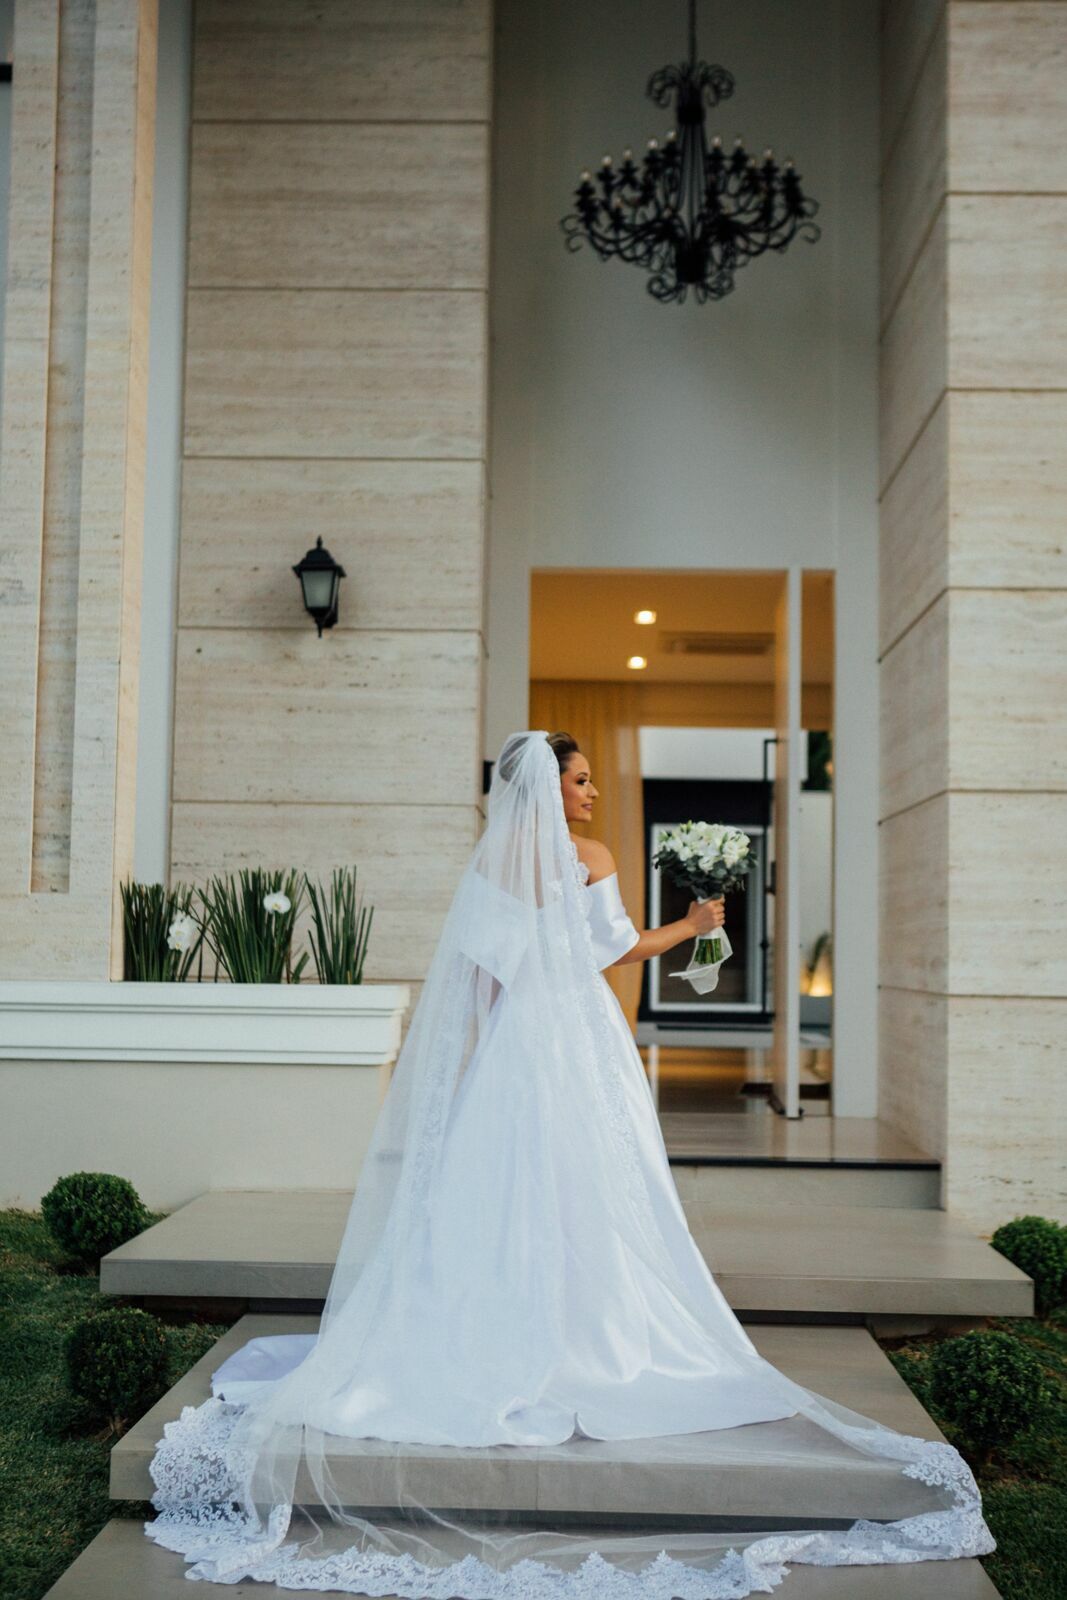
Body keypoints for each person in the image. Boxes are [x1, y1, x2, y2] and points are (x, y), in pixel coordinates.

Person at [144, 730, 993, 1596]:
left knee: (506, 1185)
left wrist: (482, 1060)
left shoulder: (491, 866)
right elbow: (615, 952)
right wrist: (696, 926)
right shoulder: (587, 854)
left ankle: (507, 1326)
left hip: (518, 1041)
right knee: (591, 1181)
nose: (591, 793)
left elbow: (480, 978)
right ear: (547, 789)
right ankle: (592, 1332)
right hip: (578, 1037)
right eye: (580, 780)